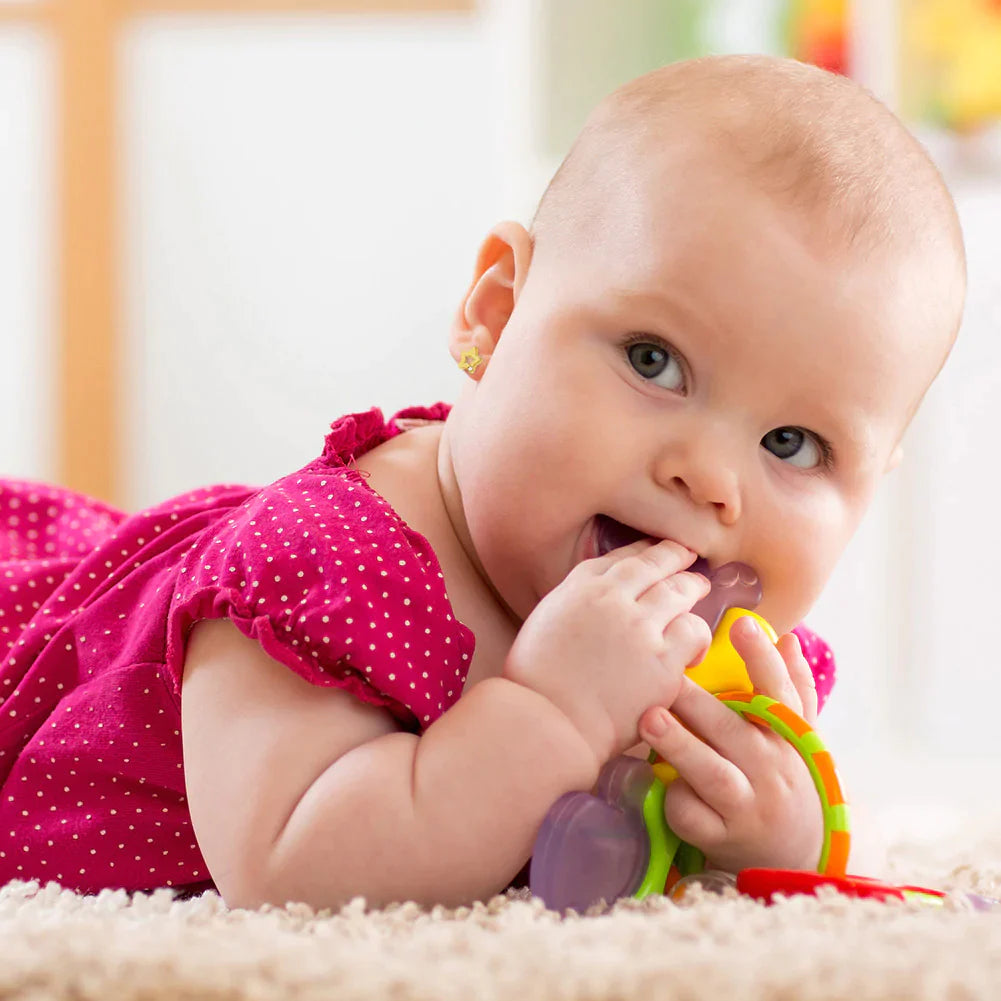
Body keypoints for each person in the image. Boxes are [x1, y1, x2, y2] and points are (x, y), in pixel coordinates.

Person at [0, 54, 965, 910]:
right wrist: (554, 714)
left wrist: (775, 834)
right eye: (652, 359)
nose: (709, 477)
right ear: (496, 312)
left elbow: (665, 848)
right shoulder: (321, 570)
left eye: (792, 443)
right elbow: (286, 869)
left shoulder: (720, 657)